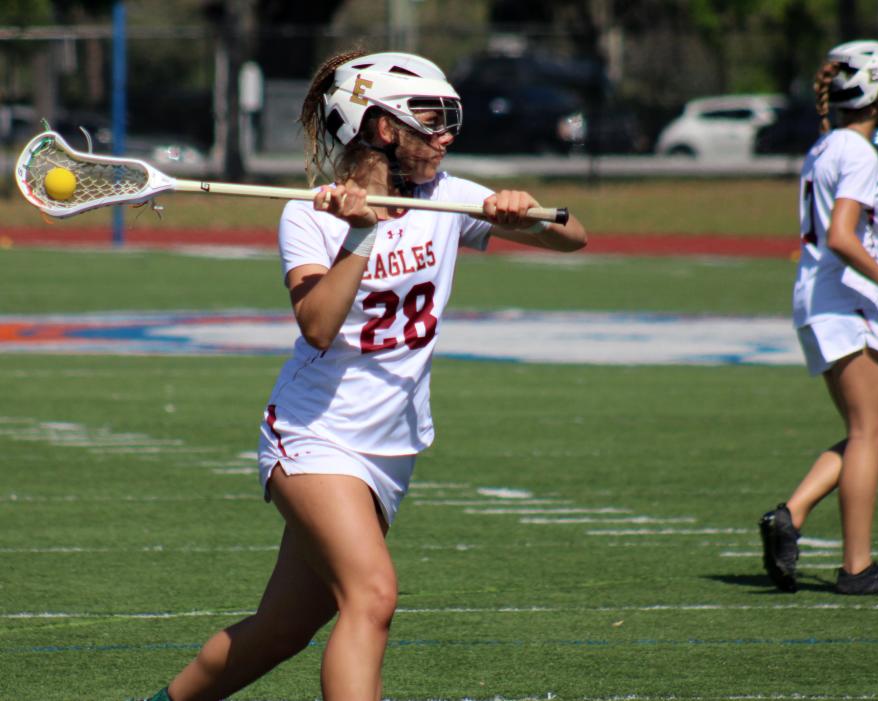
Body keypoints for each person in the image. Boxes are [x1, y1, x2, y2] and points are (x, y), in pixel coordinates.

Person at [140, 50, 585, 701]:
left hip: (391, 450)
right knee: (372, 595)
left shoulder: (451, 198)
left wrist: (527, 210)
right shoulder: (309, 215)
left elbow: (575, 237)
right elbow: (316, 325)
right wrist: (358, 237)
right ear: (380, 128)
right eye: (428, 121)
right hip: (314, 436)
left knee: (280, 630)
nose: (445, 136)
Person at [758, 40, 878, 596]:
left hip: (819, 301)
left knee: (867, 433)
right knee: (867, 433)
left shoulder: (826, 148)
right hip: (844, 300)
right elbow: (840, 235)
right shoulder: (856, 153)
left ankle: (793, 516)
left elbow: (842, 217)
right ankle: (857, 568)